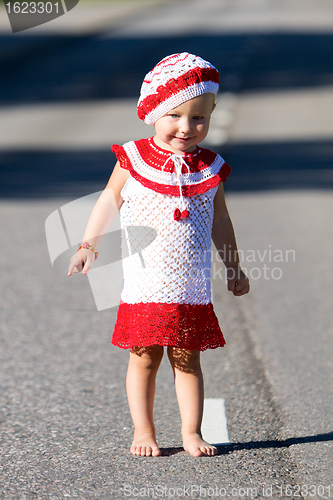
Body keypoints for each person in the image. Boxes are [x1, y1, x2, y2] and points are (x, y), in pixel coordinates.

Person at [68, 53, 249, 458]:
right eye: (174, 115)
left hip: (190, 287)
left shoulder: (210, 168)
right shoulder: (133, 159)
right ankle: (144, 430)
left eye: (199, 118)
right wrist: (87, 244)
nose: (186, 127)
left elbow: (220, 219)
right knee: (144, 358)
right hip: (146, 284)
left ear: (211, 114)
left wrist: (234, 266)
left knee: (187, 362)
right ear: (152, 110)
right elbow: (107, 201)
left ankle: (191, 432)